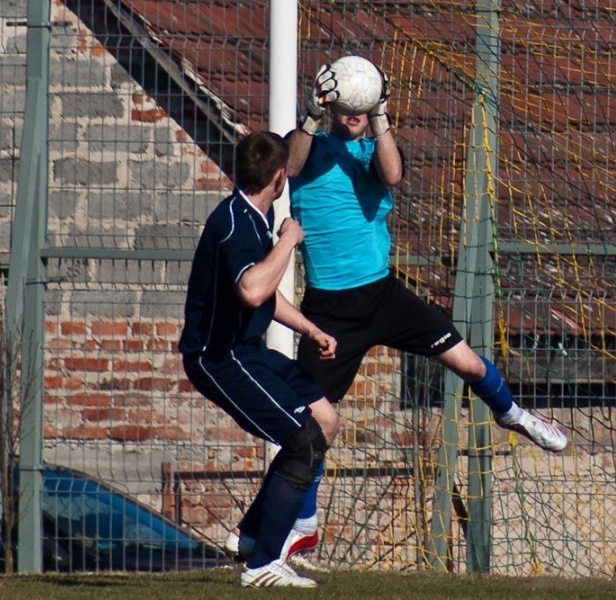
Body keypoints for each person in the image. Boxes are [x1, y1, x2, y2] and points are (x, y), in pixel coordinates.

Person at [228, 62, 569, 567]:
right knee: (315, 425)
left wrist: (382, 117)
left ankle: (513, 414)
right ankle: (275, 529)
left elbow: (393, 174)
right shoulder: (309, 146)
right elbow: (292, 166)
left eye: (361, 112)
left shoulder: (372, 149)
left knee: (470, 365)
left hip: (385, 296)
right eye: (347, 111)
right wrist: (312, 115)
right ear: (334, 108)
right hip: (331, 310)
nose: (354, 120)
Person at [179, 130, 339, 588]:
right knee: (303, 442)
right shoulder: (235, 222)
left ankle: (250, 537)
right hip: (219, 358)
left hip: (248, 351)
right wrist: (288, 241)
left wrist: (311, 329)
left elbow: (260, 293)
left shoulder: (252, 216)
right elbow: (253, 289)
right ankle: (263, 564)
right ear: (279, 178)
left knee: (324, 420)